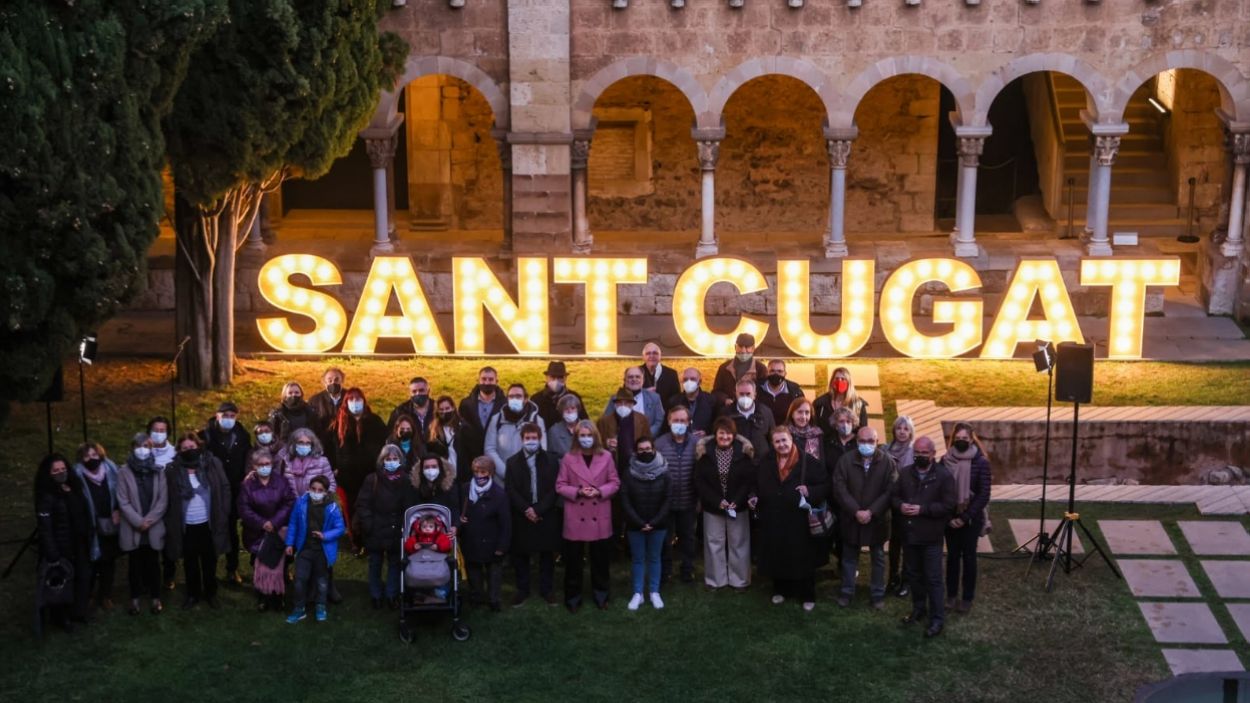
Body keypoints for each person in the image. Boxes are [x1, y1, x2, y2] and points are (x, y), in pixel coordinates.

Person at [755, 426, 829, 611]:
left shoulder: (807, 461)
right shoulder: (766, 461)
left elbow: (825, 485)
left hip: (799, 519)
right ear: (773, 444)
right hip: (774, 517)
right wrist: (754, 496)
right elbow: (756, 483)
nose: (781, 445)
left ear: (791, 440)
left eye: (784, 440)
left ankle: (807, 594)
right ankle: (780, 590)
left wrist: (810, 491)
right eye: (777, 441)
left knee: (803, 557)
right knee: (778, 554)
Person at [894, 436, 957, 638]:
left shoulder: (944, 476)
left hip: (931, 537)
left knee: (933, 578)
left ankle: (937, 619)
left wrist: (923, 509)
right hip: (910, 535)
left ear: (933, 454)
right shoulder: (904, 473)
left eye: (924, 453)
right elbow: (893, 497)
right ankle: (919, 609)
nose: (920, 456)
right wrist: (900, 505)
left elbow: (948, 506)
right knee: (913, 575)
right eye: (917, 452)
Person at [556, 421, 620, 612]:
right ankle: (573, 598)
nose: (585, 439)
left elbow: (615, 482)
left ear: (595, 436)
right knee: (574, 562)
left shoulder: (607, 457)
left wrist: (599, 491)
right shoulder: (568, 458)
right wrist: (578, 491)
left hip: (599, 513)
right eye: (582, 435)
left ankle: (601, 595)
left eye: (589, 435)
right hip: (576, 514)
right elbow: (560, 485)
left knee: (600, 561)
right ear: (576, 437)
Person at [831, 426, 897, 609]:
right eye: (862, 440)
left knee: (878, 558)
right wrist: (855, 511)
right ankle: (846, 592)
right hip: (852, 518)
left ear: (877, 442)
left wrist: (871, 511)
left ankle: (877, 595)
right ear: (856, 441)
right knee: (849, 557)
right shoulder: (845, 461)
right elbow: (839, 488)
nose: (866, 444)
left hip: (877, 520)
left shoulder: (888, 462)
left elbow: (890, 491)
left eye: (871, 441)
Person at [165, 433, 231, 610]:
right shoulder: (172, 470)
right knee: (190, 562)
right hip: (186, 525)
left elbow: (224, 487)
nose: (189, 451)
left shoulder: (212, 464)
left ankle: (211, 593)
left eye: (192, 447)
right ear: (179, 450)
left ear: (199, 447)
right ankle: (193, 594)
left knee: (210, 560)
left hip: (208, 523)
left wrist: (223, 512)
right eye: (185, 448)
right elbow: (169, 498)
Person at [504, 423, 562, 607]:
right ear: (522, 440)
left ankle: (547, 589)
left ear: (540, 439)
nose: (531, 441)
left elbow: (556, 488)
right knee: (521, 554)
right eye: (527, 438)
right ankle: (523, 589)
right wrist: (527, 509)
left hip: (546, 513)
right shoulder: (512, 462)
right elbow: (510, 489)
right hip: (523, 515)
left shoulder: (552, 461)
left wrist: (539, 509)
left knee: (546, 554)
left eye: (534, 438)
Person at [694, 417, 755, 591]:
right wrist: (716, 501)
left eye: (729, 433)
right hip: (714, 506)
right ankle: (715, 580)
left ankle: (740, 580)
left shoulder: (743, 453)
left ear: (734, 435)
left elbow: (748, 480)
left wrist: (737, 500)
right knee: (714, 542)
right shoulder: (705, 452)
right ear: (716, 434)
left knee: (739, 543)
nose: (725, 436)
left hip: (738, 506)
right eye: (721, 433)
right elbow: (700, 481)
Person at [34, 453, 92, 631]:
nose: (60, 473)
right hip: (61, 546)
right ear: (48, 473)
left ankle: (77, 612)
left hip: (79, 542)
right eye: (56, 470)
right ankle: (61, 618)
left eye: (63, 469)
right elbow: (45, 527)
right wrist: (52, 553)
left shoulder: (73, 487)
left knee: (83, 577)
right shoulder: (46, 496)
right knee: (61, 583)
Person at [355, 444, 416, 609]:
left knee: (395, 563)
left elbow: (409, 506)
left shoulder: (406, 480)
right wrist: (368, 524)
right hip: (375, 527)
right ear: (382, 461)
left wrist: (405, 527)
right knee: (375, 562)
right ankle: (375, 594)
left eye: (395, 459)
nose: (391, 461)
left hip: (396, 528)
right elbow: (362, 504)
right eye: (388, 459)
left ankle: (391, 594)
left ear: (400, 461)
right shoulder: (372, 479)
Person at [941, 422, 992, 615]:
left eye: (965, 438)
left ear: (971, 439)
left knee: (969, 558)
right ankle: (951, 595)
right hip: (950, 517)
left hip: (971, 518)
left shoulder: (981, 462)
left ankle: (967, 598)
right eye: (958, 438)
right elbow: (942, 490)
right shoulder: (945, 460)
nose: (961, 441)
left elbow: (983, 494)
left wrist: (964, 517)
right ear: (953, 439)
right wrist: (949, 516)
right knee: (952, 557)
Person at [329, 387, 388, 549]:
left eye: (358, 398)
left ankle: (371, 540)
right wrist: (334, 467)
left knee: (371, 507)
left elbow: (385, 445)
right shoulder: (338, 424)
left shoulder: (375, 421)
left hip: (370, 475)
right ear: (345, 403)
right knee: (349, 509)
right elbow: (330, 448)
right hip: (346, 478)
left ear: (364, 400)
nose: (355, 402)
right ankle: (355, 540)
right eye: (351, 399)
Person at [116, 433, 168, 616]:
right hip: (133, 527)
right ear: (132, 448)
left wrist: (149, 520)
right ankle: (135, 599)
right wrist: (138, 522)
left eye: (146, 445)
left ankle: (155, 598)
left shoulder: (159, 471)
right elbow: (122, 501)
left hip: (152, 527)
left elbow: (163, 500)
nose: (142, 449)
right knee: (134, 565)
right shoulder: (123, 472)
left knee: (154, 564)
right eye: (139, 446)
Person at [237, 449, 295, 611]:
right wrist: (263, 523)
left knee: (279, 565)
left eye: (267, 464)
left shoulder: (281, 481)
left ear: (272, 464)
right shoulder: (247, 485)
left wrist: (274, 522)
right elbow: (244, 508)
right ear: (254, 466)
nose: (264, 467)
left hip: (278, 531)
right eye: (260, 464)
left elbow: (289, 502)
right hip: (256, 532)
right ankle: (262, 596)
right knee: (260, 564)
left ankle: (278, 595)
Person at [202, 400, 252, 585]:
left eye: (232, 416)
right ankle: (210, 571)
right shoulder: (205, 436)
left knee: (232, 530)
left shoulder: (242, 435)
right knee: (211, 531)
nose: (229, 419)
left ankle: (232, 568)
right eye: (225, 416)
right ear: (217, 416)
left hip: (235, 490)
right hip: (212, 492)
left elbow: (247, 458)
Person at [285, 475, 345, 624]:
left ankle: (320, 606)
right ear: (308, 488)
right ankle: (299, 608)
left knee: (322, 581)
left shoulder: (332, 507)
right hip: (305, 549)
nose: (316, 492)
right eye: (313, 489)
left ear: (326, 492)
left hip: (322, 551)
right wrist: (289, 544)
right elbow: (293, 524)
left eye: (320, 490)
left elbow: (340, 528)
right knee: (299, 580)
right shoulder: (301, 503)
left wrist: (324, 535)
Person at [621, 437, 670, 611]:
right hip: (636, 524)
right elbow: (625, 499)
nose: (645, 452)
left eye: (648, 448)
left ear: (654, 449)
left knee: (655, 557)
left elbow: (667, 498)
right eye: (641, 450)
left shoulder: (664, 470)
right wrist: (639, 522)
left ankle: (654, 592)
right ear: (636, 452)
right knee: (638, 559)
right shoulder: (628, 472)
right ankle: (638, 593)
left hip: (659, 523)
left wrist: (655, 522)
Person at [460, 457, 512, 612]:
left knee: (494, 573)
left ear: (491, 473)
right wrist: (460, 521)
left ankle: (494, 599)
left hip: (492, 541)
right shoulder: (465, 489)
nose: (478, 475)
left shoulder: (499, 494)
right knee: (473, 571)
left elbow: (506, 523)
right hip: (471, 539)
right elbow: (459, 511)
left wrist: (502, 546)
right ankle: (476, 596)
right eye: (475, 471)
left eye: (483, 471)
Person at [74, 441, 120, 611]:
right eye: (86, 456)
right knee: (90, 563)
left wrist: (118, 509)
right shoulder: (77, 476)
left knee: (108, 562)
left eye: (94, 455)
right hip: (90, 526)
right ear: (81, 459)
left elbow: (120, 492)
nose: (91, 459)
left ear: (100, 455)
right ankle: (88, 595)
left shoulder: (111, 470)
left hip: (110, 524)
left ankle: (106, 595)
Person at [655, 405, 698, 584]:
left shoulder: (697, 443)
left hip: (689, 500)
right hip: (666, 502)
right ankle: (665, 571)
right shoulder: (659, 443)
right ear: (669, 421)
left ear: (688, 423)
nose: (679, 424)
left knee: (688, 538)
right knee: (665, 539)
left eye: (683, 421)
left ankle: (687, 570)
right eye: (675, 420)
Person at [485, 383, 546, 480]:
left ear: (525, 399)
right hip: (501, 480)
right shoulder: (496, 420)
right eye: (511, 396)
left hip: (528, 479)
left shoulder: (537, 421)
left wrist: (527, 473)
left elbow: (542, 450)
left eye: (518, 396)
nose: (514, 399)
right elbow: (489, 449)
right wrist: (506, 473)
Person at [146, 416, 178, 591]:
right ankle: (150, 576)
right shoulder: (143, 451)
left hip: (169, 505)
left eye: (162, 431)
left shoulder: (173, 454)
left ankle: (169, 575)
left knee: (168, 542)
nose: (158, 434)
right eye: (155, 430)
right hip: (148, 504)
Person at [886, 415, 917, 597]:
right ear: (894, 430)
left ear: (911, 432)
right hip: (890, 503)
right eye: (899, 428)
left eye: (906, 429)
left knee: (907, 544)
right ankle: (892, 578)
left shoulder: (913, 453)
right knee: (893, 543)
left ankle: (906, 580)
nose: (902, 432)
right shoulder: (885, 450)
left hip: (907, 503)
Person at [597, 387, 653, 475]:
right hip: (613, 466)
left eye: (627, 403)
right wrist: (606, 443)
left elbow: (649, 440)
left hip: (636, 466)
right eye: (620, 403)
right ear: (615, 404)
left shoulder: (642, 419)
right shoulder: (604, 421)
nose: (623, 406)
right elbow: (597, 443)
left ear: (632, 404)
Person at [458, 366, 504, 462]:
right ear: (478, 381)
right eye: (483, 379)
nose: (487, 382)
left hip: (498, 455)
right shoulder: (466, 404)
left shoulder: (505, 404)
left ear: (497, 381)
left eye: (491, 379)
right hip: (472, 456)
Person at [722, 378, 775, 460]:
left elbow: (772, 437)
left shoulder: (765, 412)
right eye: (741, 394)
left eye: (748, 394)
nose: (745, 397)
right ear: (736, 394)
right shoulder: (726, 414)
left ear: (754, 394)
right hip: (735, 462)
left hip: (760, 462)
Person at [604, 367, 664, 437]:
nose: (634, 379)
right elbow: (607, 420)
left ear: (643, 380)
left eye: (637, 377)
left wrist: (646, 435)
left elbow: (659, 421)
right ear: (625, 380)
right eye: (630, 377)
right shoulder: (615, 398)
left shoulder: (654, 398)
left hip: (647, 440)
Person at [712, 332, 767, 408]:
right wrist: (725, 399)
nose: (743, 350)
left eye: (747, 347)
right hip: (729, 410)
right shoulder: (724, 368)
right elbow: (716, 392)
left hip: (753, 411)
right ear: (735, 347)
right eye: (740, 346)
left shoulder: (760, 369)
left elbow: (764, 394)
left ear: (753, 348)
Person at [278, 428, 336, 496]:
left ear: (312, 445)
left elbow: (331, 485)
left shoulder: (322, 462)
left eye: (308, 443)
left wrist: (319, 498)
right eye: (301, 442)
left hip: (314, 504)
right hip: (291, 503)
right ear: (293, 444)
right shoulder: (285, 461)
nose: (304, 446)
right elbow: (279, 485)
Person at [814, 366, 869, 436]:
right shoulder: (820, 404)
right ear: (832, 382)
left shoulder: (858, 404)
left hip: (851, 445)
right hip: (826, 444)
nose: (839, 381)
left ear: (849, 382)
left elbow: (863, 430)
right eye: (836, 379)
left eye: (843, 379)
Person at [428, 395, 472, 483]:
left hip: (462, 474)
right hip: (442, 476)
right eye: (441, 409)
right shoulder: (433, 430)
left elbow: (471, 452)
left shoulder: (464, 427)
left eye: (447, 408)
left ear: (453, 408)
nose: (444, 411)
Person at [412, 454, 464, 525]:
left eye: (434, 467)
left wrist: (455, 526)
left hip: (444, 528)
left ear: (440, 468)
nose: (430, 470)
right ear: (422, 470)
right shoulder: (415, 487)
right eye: (426, 467)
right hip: (422, 529)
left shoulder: (450, 487)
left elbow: (455, 509)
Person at [531, 361, 582, 431]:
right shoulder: (536, 399)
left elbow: (583, 422)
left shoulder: (574, 398)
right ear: (547, 377)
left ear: (565, 378)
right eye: (553, 377)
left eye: (560, 377)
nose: (556, 380)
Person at [668, 367, 715, 437]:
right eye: (685, 379)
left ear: (700, 382)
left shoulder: (711, 400)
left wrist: (707, 433)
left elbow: (716, 423)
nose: (688, 382)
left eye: (693, 379)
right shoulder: (674, 401)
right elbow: (668, 425)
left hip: (704, 442)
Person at [756, 359, 804, 425]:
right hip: (763, 431)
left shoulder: (795, 392)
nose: (776, 374)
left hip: (786, 432)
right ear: (767, 372)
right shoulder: (756, 389)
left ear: (785, 373)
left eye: (780, 371)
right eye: (772, 371)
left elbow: (801, 413)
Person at [307, 367, 346, 444]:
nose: (333, 383)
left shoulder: (350, 398)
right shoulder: (315, 400)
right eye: (329, 380)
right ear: (324, 383)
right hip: (323, 442)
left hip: (345, 441)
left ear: (342, 381)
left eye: (336, 380)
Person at [640, 342, 679, 411]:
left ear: (660, 356)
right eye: (648, 353)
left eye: (655, 353)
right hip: (641, 416)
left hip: (665, 416)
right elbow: (628, 395)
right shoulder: (635, 373)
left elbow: (676, 399)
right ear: (643, 357)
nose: (651, 356)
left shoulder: (671, 374)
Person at [785, 398, 825, 464]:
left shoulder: (817, 434)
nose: (803, 417)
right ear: (792, 414)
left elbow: (822, 461)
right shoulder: (785, 434)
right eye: (799, 412)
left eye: (807, 413)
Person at [546, 394, 584, 459]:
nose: (570, 411)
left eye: (573, 408)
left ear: (578, 410)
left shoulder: (586, 428)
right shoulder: (554, 431)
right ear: (561, 411)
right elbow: (551, 456)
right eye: (566, 409)